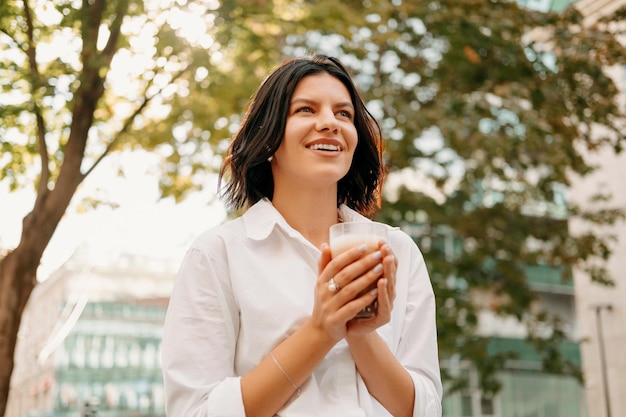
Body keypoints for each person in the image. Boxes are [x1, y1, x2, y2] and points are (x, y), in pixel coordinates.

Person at [161, 54, 442, 417]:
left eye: (344, 114)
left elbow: (424, 409)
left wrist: (360, 333)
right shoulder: (218, 255)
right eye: (306, 110)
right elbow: (194, 412)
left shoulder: (397, 251)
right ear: (270, 136)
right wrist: (320, 331)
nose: (330, 123)